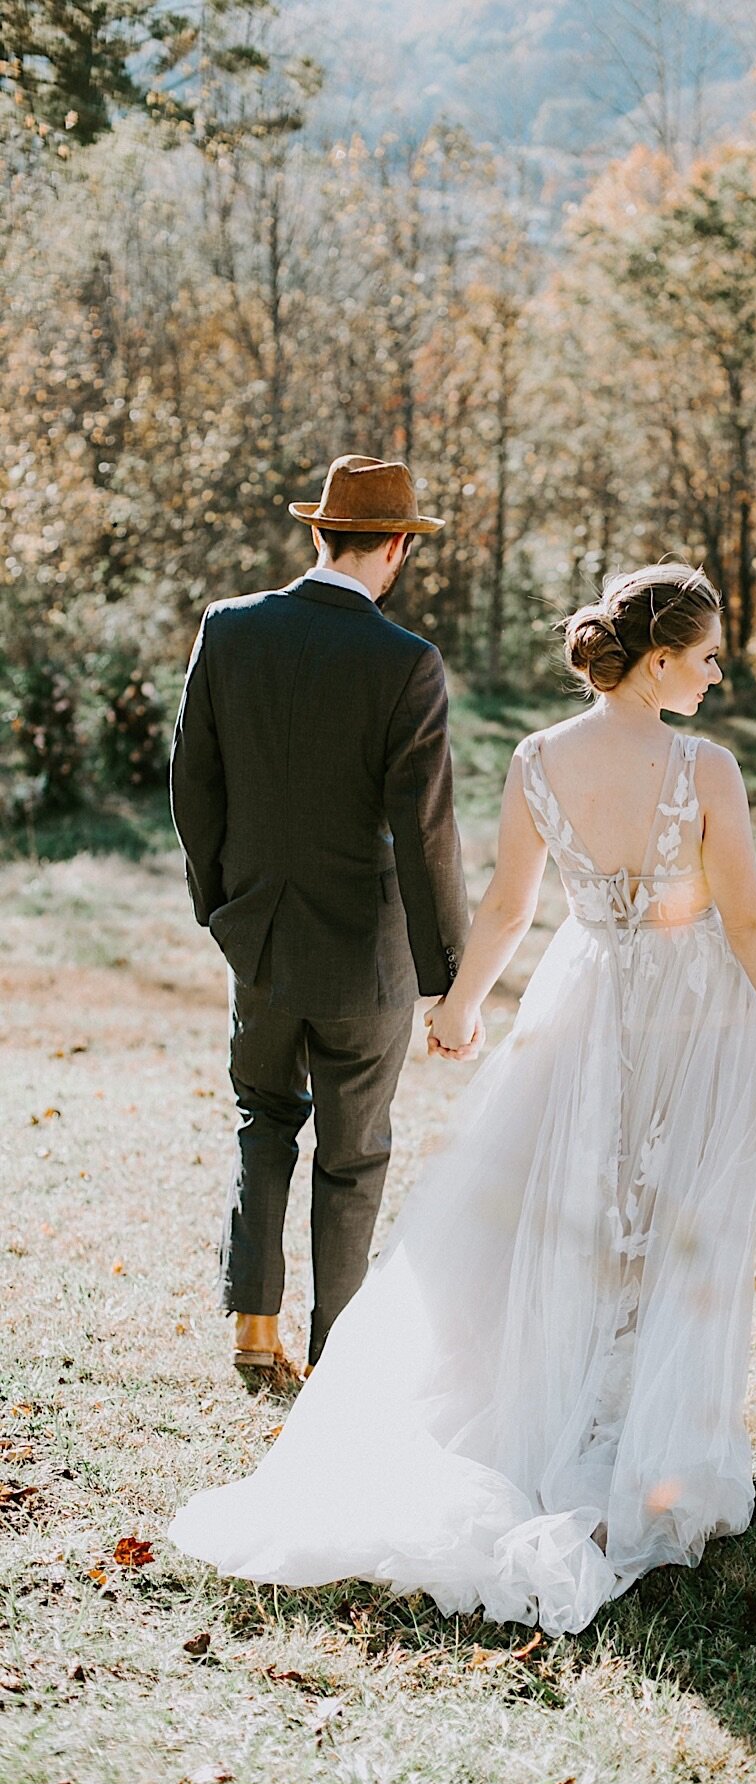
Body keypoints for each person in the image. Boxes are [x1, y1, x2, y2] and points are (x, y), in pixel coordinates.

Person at [169, 562, 756, 1634]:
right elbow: (749, 920)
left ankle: (583, 1416)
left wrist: (461, 1008)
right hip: (689, 1012)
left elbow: (510, 908)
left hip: (584, 999)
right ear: (660, 660)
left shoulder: (538, 761)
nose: (718, 677)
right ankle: (637, 1441)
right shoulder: (704, 770)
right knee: (671, 1223)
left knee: (572, 1209)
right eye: (708, 657)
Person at [170, 454, 470, 1392]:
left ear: (317, 534)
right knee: (355, 1155)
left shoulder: (229, 630)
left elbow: (193, 784)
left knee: (263, 1119)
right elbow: (425, 833)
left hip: (258, 937)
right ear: (393, 549)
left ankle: (252, 1335)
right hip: (364, 960)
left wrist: (223, 907)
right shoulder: (406, 662)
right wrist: (446, 973)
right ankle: (338, 1354)